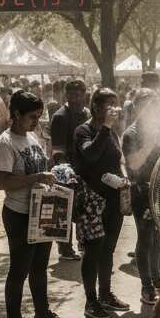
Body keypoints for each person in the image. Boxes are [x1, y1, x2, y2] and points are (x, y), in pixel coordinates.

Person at [0, 89, 72, 318]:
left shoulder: (32, 136)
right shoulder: (4, 144)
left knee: (39, 266)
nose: (37, 121)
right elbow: (2, 182)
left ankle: (42, 314)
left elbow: (40, 166)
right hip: (19, 214)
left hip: (40, 211)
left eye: (39, 116)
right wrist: (36, 178)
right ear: (16, 114)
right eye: (32, 117)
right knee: (19, 270)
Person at [73, 87, 130, 318]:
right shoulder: (83, 131)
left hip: (113, 199)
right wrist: (105, 126)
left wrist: (124, 177)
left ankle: (106, 294)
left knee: (108, 250)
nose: (113, 109)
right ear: (95, 106)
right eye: (108, 104)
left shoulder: (113, 133)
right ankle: (91, 300)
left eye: (115, 104)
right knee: (93, 250)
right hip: (91, 200)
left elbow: (118, 159)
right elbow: (91, 155)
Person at [124, 89, 160, 304]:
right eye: (147, 106)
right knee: (145, 238)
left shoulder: (159, 129)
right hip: (141, 190)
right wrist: (150, 143)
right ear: (137, 108)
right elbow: (133, 164)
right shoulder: (131, 134)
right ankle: (146, 286)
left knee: (157, 237)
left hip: (159, 189)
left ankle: (156, 276)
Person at [49, 79, 89, 261]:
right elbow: (57, 150)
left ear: (84, 94)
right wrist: (66, 172)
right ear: (66, 95)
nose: (75, 98)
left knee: (82, 210)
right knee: (64, 210)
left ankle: (84, 244)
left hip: (84, 168)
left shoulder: (87, 114)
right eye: (71, 94)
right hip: (66, 169)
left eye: (79, 94)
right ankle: (65, 249)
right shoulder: (60, 116)